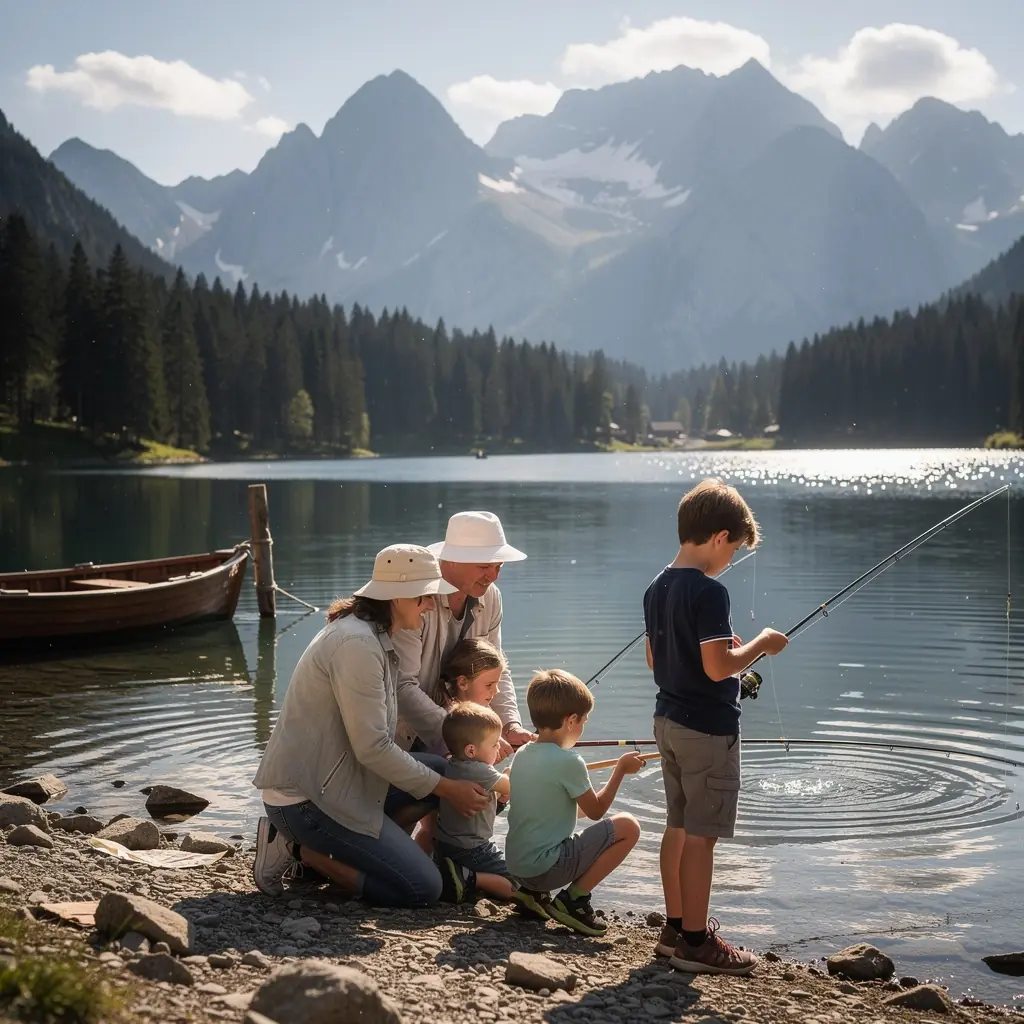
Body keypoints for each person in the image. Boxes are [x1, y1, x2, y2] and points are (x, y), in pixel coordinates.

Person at [251, 544, 491, 907]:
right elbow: (373, 748)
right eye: (425, 596)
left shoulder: (371, 634)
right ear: (398, 597)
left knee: (448, 770)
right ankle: (297, 849)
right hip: (304, 800)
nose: (430, 606)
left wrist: (452, 777)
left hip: (339, 780)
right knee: (423, 888)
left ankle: (379, 853)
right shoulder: (357, 646)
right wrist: (447, 789)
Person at [643, 478, 788, 975]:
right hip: (706, 730)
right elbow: (717, 668)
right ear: (721, 536)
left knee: (679, 825)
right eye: (734, 549)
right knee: (702, 837)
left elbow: (656, 659)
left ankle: (674, 929)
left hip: (667, 721)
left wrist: (724, 647)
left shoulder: (656, 586)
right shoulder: (709, 591)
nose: (731, 560)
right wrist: (760, 645)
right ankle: (696, 943)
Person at [505, 669, 643, 936]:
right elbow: (596, 811)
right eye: (584, 721)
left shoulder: (522, 753)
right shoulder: (569, 761)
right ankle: (574, 900)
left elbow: (552, 810)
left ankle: (532, 895)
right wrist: (620, 770)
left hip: (518, 868)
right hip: (545, 870)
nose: (583, 727)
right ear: (570, 721)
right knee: (629, 826)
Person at [393, 511, 535, 751]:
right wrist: (465, 734)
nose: (493, 576)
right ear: (452, 560)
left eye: (498, 566)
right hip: (401, 739)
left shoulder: (491, 597)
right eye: (484, 566)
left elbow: (496, 669)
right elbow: (402, 686)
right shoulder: (416, 599)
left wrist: (510, 725)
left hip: (457, 736)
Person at [433, 702, 548, 918]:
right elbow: (515, 787)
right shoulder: (479, 770)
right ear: (471, 750)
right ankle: (469, 878)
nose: (498, 749)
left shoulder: (455, 765)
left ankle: (462, 877)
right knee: (518, 883)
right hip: (472, 849)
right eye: (495, 744)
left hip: (447, 844)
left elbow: (483, 811)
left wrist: (501, 799)